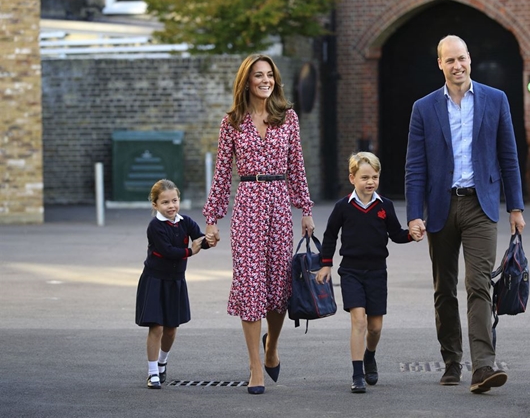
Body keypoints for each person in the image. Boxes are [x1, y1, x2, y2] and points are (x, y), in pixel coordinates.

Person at [404, 35, 526, 394]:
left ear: (469, 59)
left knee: (479, 285)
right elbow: (415, 167)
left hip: (481, 205)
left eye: (462, 59)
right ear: (439, 65)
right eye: (449, 61)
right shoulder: (423, 108)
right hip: (440, 207)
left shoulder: (495, 99)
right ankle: (452, 360)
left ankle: (483, 367)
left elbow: (509, 156)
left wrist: (515, 207)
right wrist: (414, 214)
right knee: (444, 290)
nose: (457, 66)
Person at [202, 54, 315, 395]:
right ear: (246, 82)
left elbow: (297, 166)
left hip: (280, 202)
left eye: (269, 75)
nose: (265, 80)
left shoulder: (288, 118)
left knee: (279, 289)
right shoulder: (232, 122)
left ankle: (271, 347)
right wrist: (212, 219)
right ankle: (255, 367)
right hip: (248, 203)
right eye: (258, 76)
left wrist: (305, 209)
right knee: (251, 287)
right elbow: (222, 174)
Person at [317, 152, 414, 393]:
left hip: (377, 272)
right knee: (358, 320)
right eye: (364, 177)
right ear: (352, 178)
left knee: (375, 327)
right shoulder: (342, 207)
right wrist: (326, 263)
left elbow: (396, 234)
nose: (370, 182)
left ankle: (370, 355)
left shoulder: (385, 206)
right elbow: (329, 235)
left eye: (375, 177)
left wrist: (412, 234)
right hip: (350, 271)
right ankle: (357, 373)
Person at [135, 179, 209, 389]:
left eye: (174, 200)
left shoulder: (185, 221)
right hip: (155, 280)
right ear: (155, 205)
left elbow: (199, 237)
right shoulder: (155, 227)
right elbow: (168, 252)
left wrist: (208, 240)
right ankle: (152, 373)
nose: (171, 206)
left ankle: (162, 363)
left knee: (171, 329)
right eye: (165, 202)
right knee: (156, 327)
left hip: (176, 282)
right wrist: (190, 251)